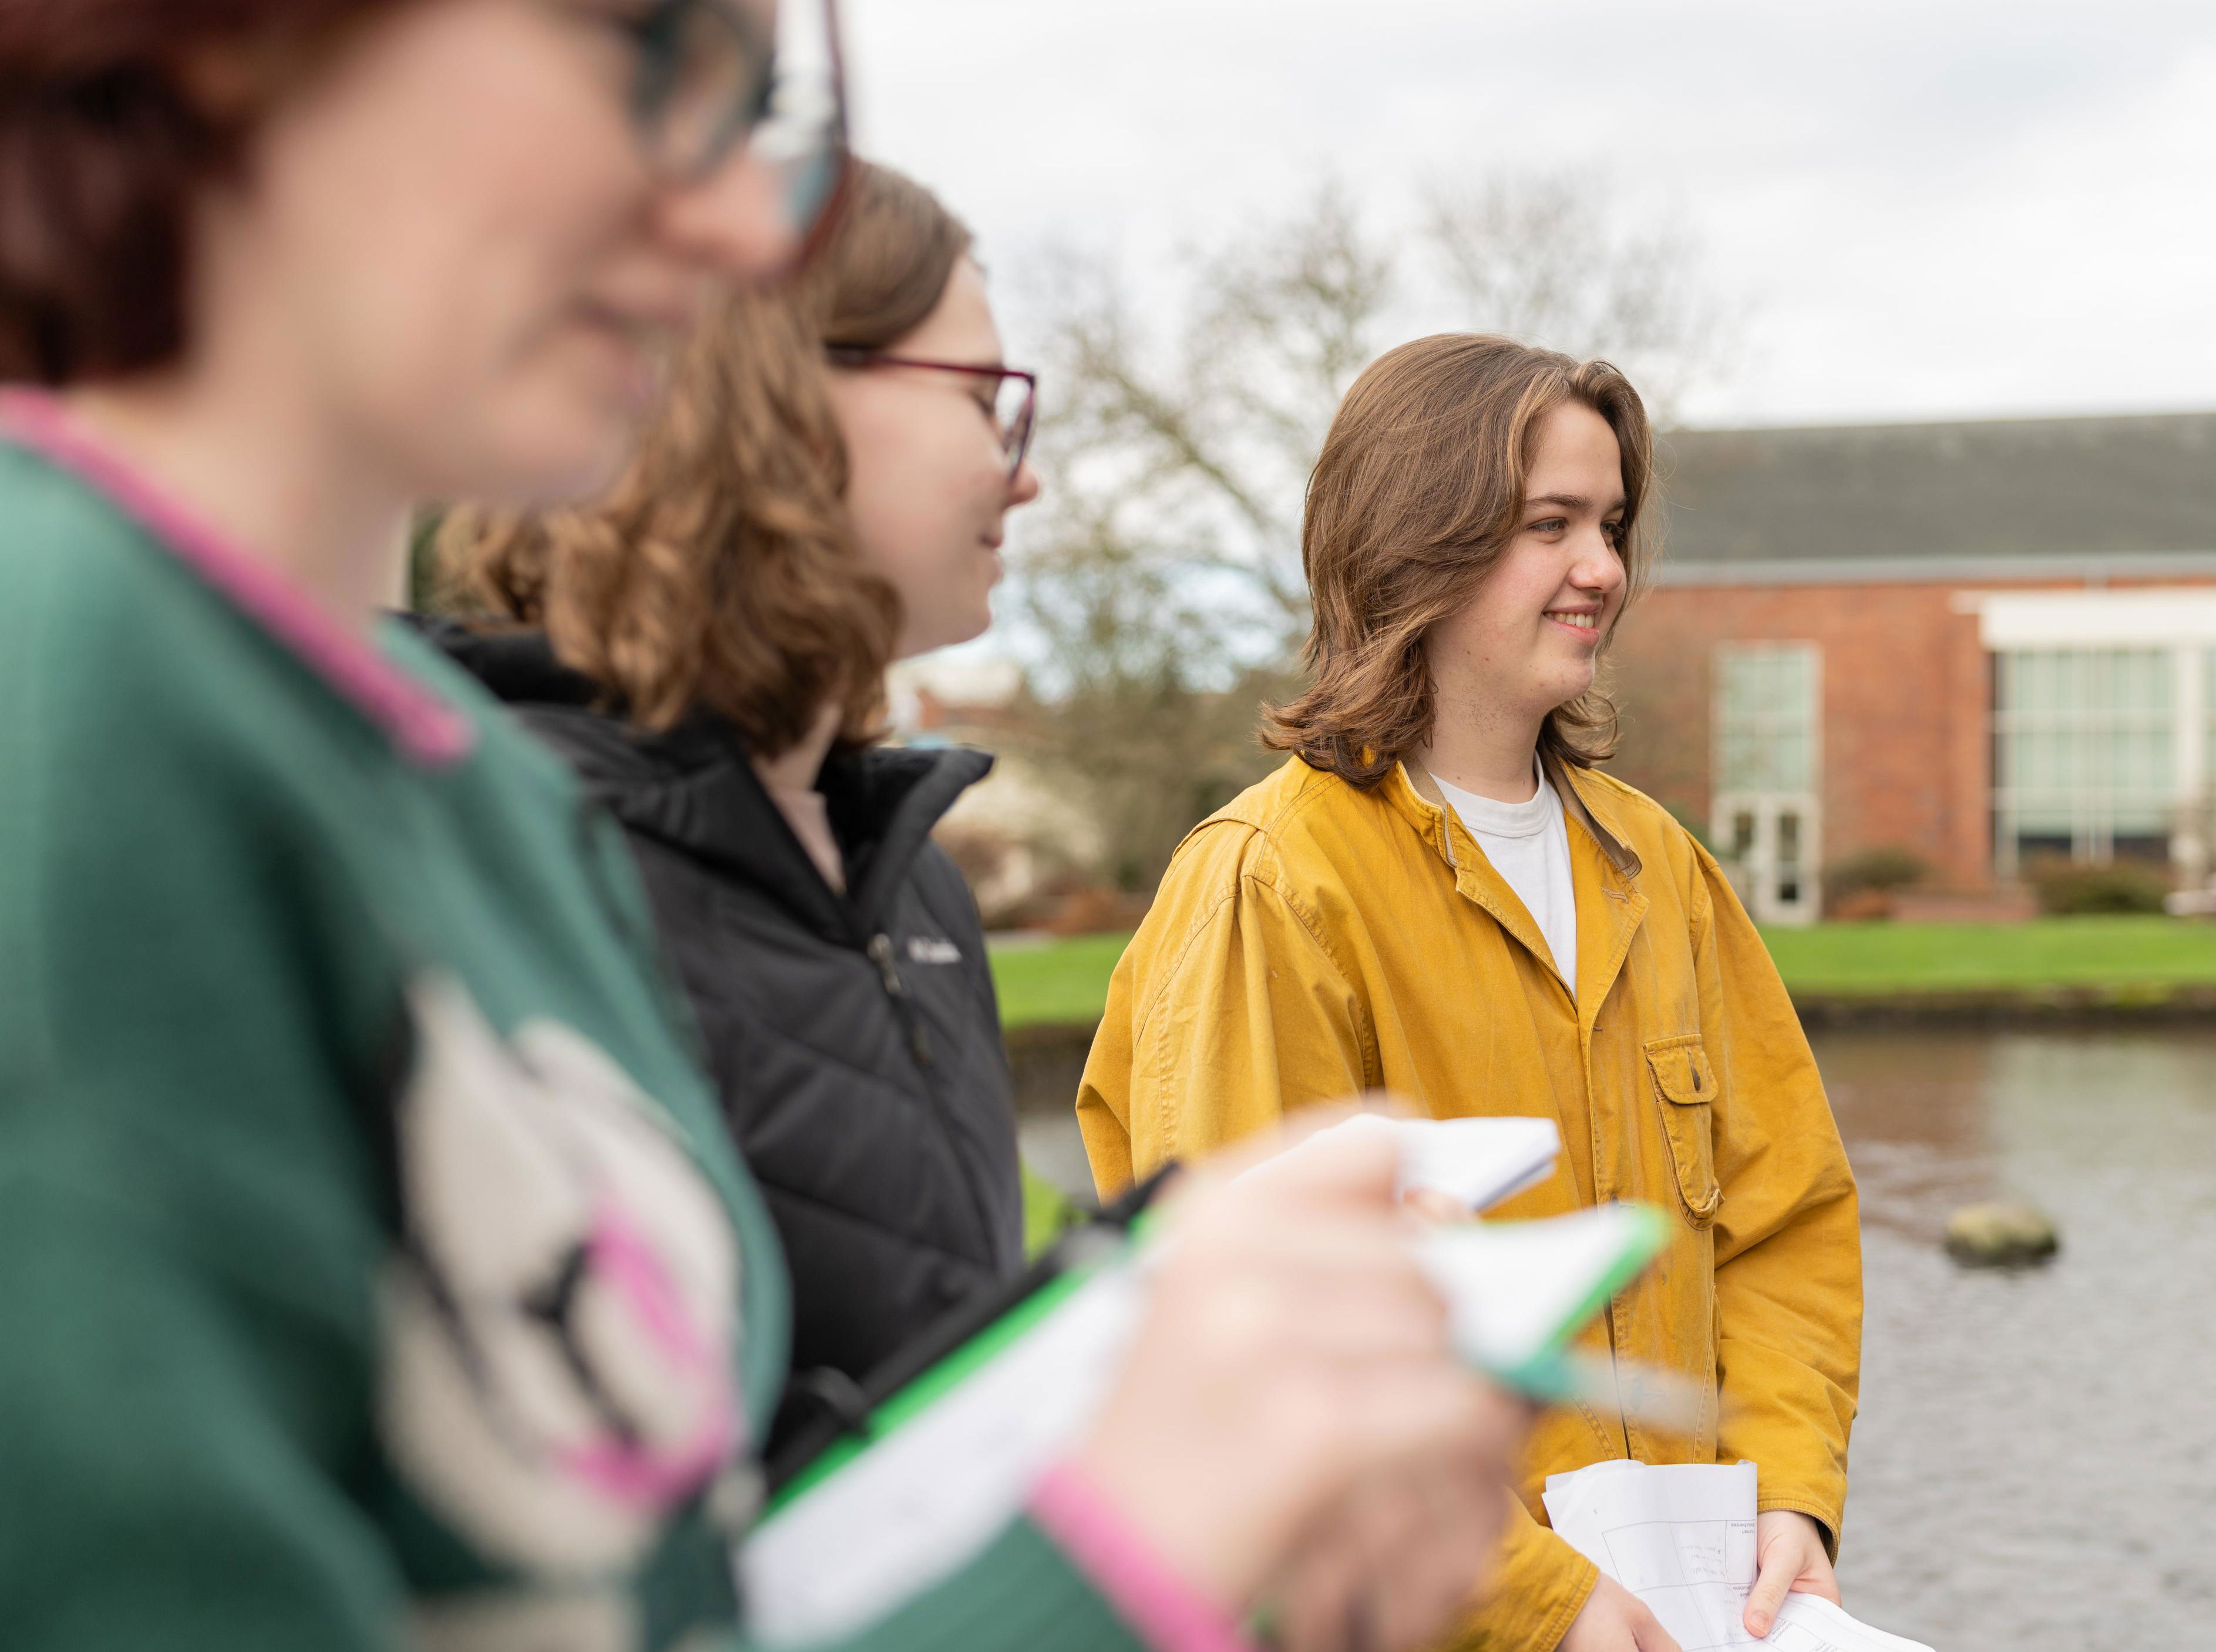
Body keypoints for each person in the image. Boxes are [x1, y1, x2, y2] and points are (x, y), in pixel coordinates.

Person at [0, 4, 1518, 1648]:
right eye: (646, 55)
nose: (739, 224)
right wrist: (1117, 1555)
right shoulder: (70, 709)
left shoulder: (482, 804)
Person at [1077, 334, 1865, 1652]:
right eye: (1548, 525)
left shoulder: (1660, 871)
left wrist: (1793, 1498)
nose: (1603, 570)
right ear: (1414, 546)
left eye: (1609, 524)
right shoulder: (1272, 885)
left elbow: (1786, 1225)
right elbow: (1257, 1336)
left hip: (1702, 1610)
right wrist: (1541, 1609)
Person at [429, 159, 1035, 1454]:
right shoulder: (506, 863)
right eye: (986, 399)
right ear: (771, 396)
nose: (1019, 471)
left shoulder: (910, 873)